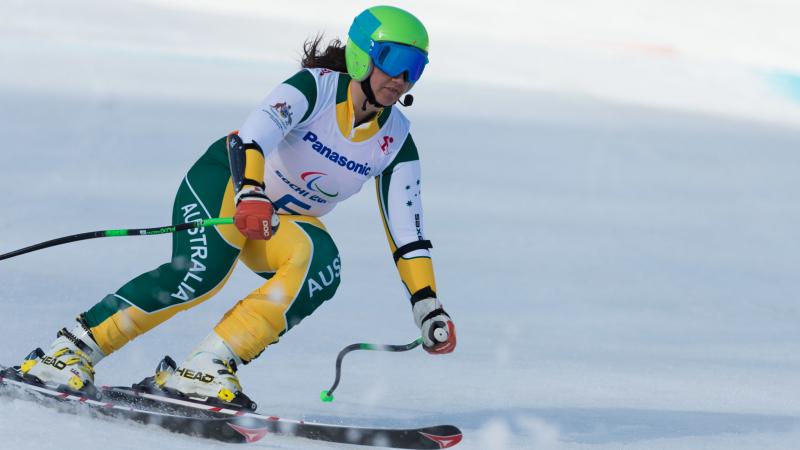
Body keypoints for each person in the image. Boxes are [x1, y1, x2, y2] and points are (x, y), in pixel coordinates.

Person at [15, 5, 456, 408]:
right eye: (394, 60)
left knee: (321, 267)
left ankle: (204, 366)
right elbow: (253, 136)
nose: (401, 78)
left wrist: (427, 303)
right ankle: (68, 351)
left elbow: (408, 233)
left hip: (279, 220)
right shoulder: (316, 90)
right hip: (225, 183)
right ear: (364, 55)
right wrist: (250, 191)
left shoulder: (395, 140)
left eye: (415, 68)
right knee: (201, 273)